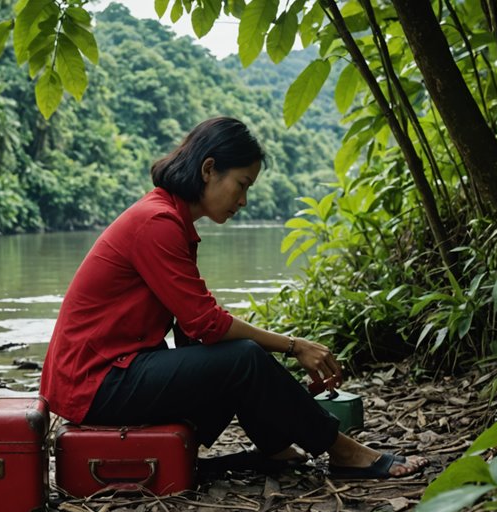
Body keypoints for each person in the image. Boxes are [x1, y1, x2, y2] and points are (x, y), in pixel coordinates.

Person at [40, 117, 427, 480]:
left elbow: (195, 326)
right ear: (209, 170)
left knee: (237, 355)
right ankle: (342, 451)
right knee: (242, 357)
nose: (242, 200)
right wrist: (294, 347)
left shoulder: (170, 219)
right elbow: (207, 323)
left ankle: (275, 448)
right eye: (242, 184)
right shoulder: (157, 223)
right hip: (95, 384)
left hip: (115, 373)